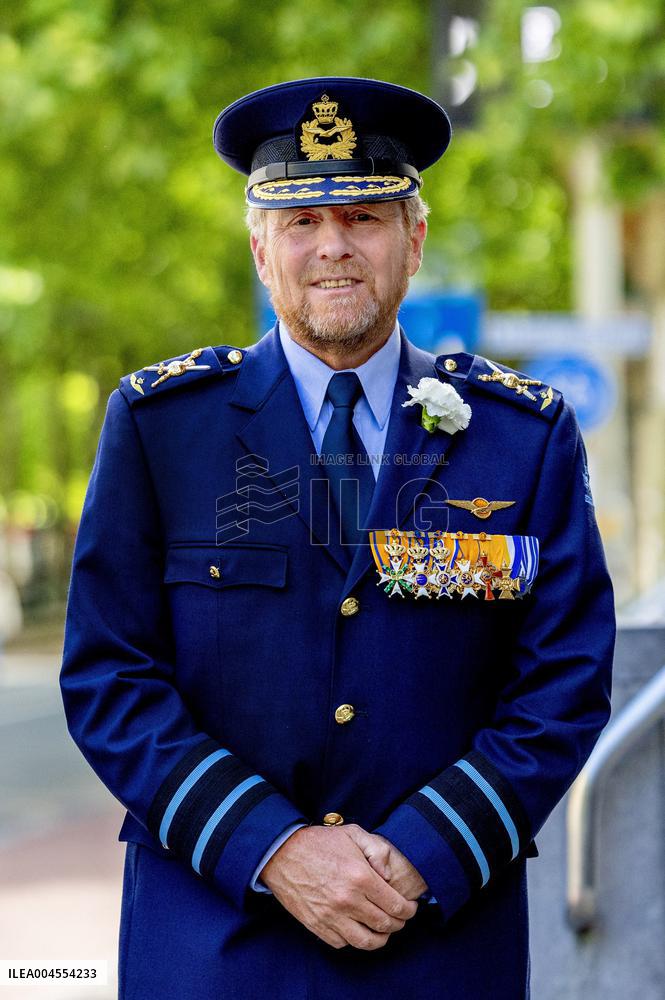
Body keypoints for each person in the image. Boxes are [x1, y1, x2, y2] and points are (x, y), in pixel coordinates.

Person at [60, 77, 615, 1000]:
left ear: (414, 240)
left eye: (362, 216)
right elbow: (110, 678)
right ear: (259, 247)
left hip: (439, 942)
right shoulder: (161, 428)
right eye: (301, 221)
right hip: (214, 946)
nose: (332, 248)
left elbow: (562, 678)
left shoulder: (524, 435)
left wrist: (424, 850)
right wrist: (272, 847)